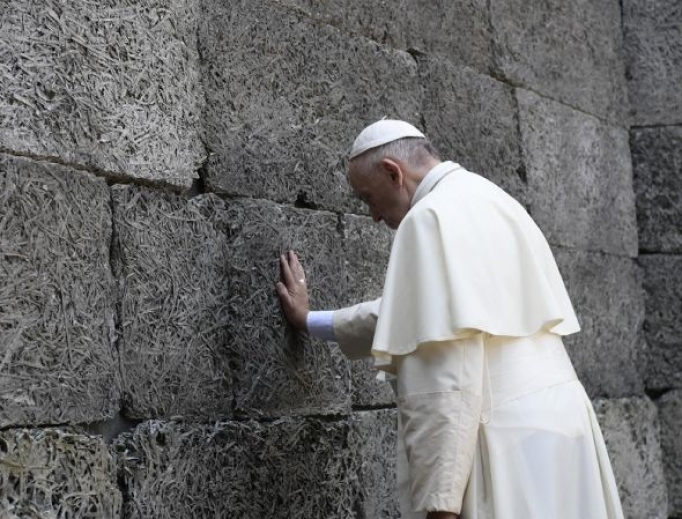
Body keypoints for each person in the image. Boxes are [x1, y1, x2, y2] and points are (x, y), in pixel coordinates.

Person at [276, 120, 625, 519]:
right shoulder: (493, 198)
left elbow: (444, 372)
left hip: (503, 438)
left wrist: (441, 499)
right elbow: (420, 315)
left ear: (394, 172)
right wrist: (309, 320)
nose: (372, 216)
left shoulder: (427, 219)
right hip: (566, 424)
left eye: (368, 198)